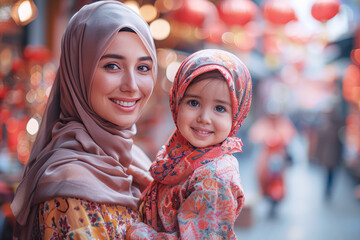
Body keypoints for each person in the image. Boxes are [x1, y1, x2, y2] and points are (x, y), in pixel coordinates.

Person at [10, 1, 158, 239]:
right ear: (78, 72)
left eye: (143, 67)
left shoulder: (136, 160)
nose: (132, 86)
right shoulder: (69, 183)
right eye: (112, 66)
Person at [126, 49, 252, 239]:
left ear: (236, 116)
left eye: (219, 108)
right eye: (193, 103)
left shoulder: (214, 180)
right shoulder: (179, 154)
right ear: (177, 102)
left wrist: (139, 234)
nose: (204, 118)